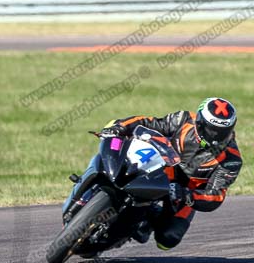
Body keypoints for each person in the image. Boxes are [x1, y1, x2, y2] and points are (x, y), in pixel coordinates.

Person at [102, 97, 243, 250]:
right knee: (117, 158)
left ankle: (146, 220)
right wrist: (120, 126)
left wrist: (188, 195)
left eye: (222, 132)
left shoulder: (231, 160)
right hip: (157, 167)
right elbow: (150, 122)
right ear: (200, 122)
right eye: (211, 130)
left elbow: (215, 196)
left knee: (167, 240)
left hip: (182, 192)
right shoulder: (184, 120)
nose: (215, 136)